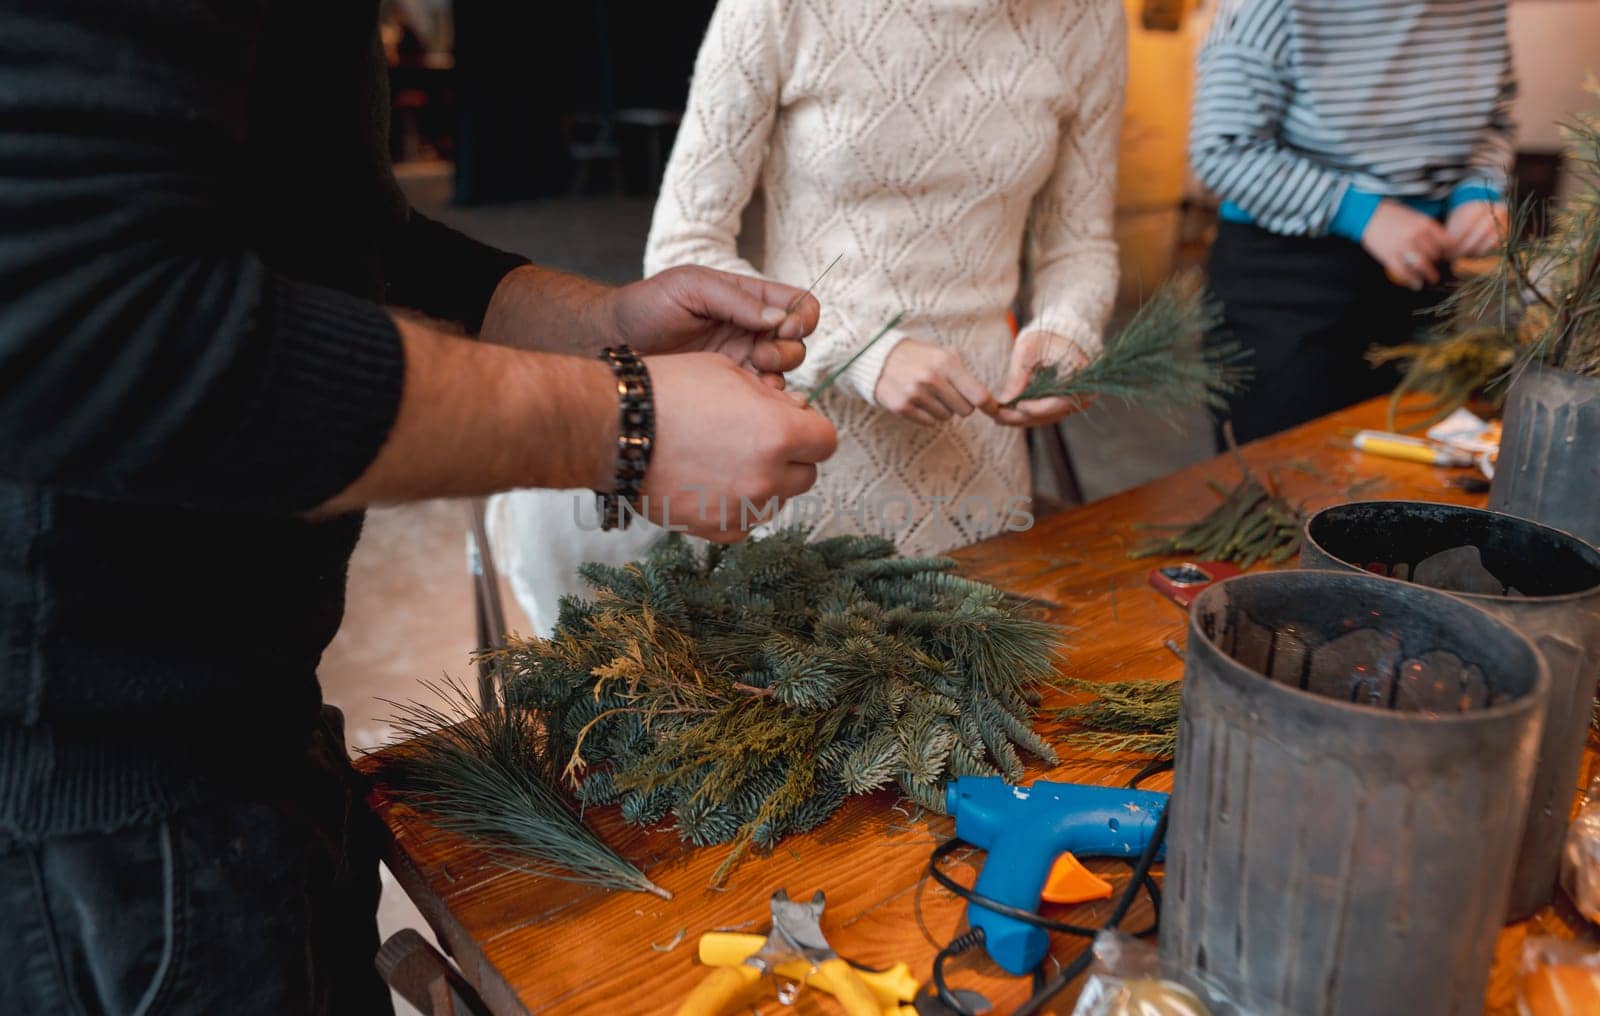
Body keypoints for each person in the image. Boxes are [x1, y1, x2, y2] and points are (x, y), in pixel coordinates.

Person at [0, 3, 836, 1013]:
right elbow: (100, 325)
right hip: (93, 833)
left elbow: (335, 240)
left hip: (244, 737)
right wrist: (624, 423)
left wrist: (598, 326)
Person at [637, 0, 1128, 556]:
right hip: (799, 436)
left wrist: (1068, 328)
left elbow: (1081, 241)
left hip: (979, 454)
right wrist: (863, 352)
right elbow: (684, 250)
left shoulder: (1090, 16)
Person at [1191, 0, 1516, 445]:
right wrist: (1361, 213)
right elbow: (1222, 149)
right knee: (1285, 476)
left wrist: (1478, 191)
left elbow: (1492, 119)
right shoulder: (1271, 7)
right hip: (1285, 282)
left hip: (1423, 270)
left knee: (1405, 476)